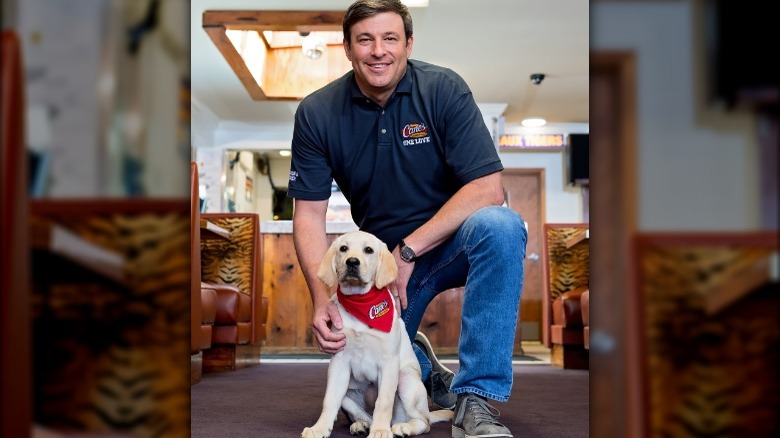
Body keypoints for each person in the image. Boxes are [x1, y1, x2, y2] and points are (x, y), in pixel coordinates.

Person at [287, 1, 527, 437]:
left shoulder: (443, 89)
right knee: (369, 391)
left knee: (503, 226)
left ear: (409, 43)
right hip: (384, 270)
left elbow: (489, 190)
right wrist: (322, 299)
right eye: (365, 39)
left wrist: (412, 247)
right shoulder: (317, 113)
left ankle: (476, 399)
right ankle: (419, 359)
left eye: (390, 38)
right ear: (347, 47)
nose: (378, 51)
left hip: (448, 246)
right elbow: (308, 214)